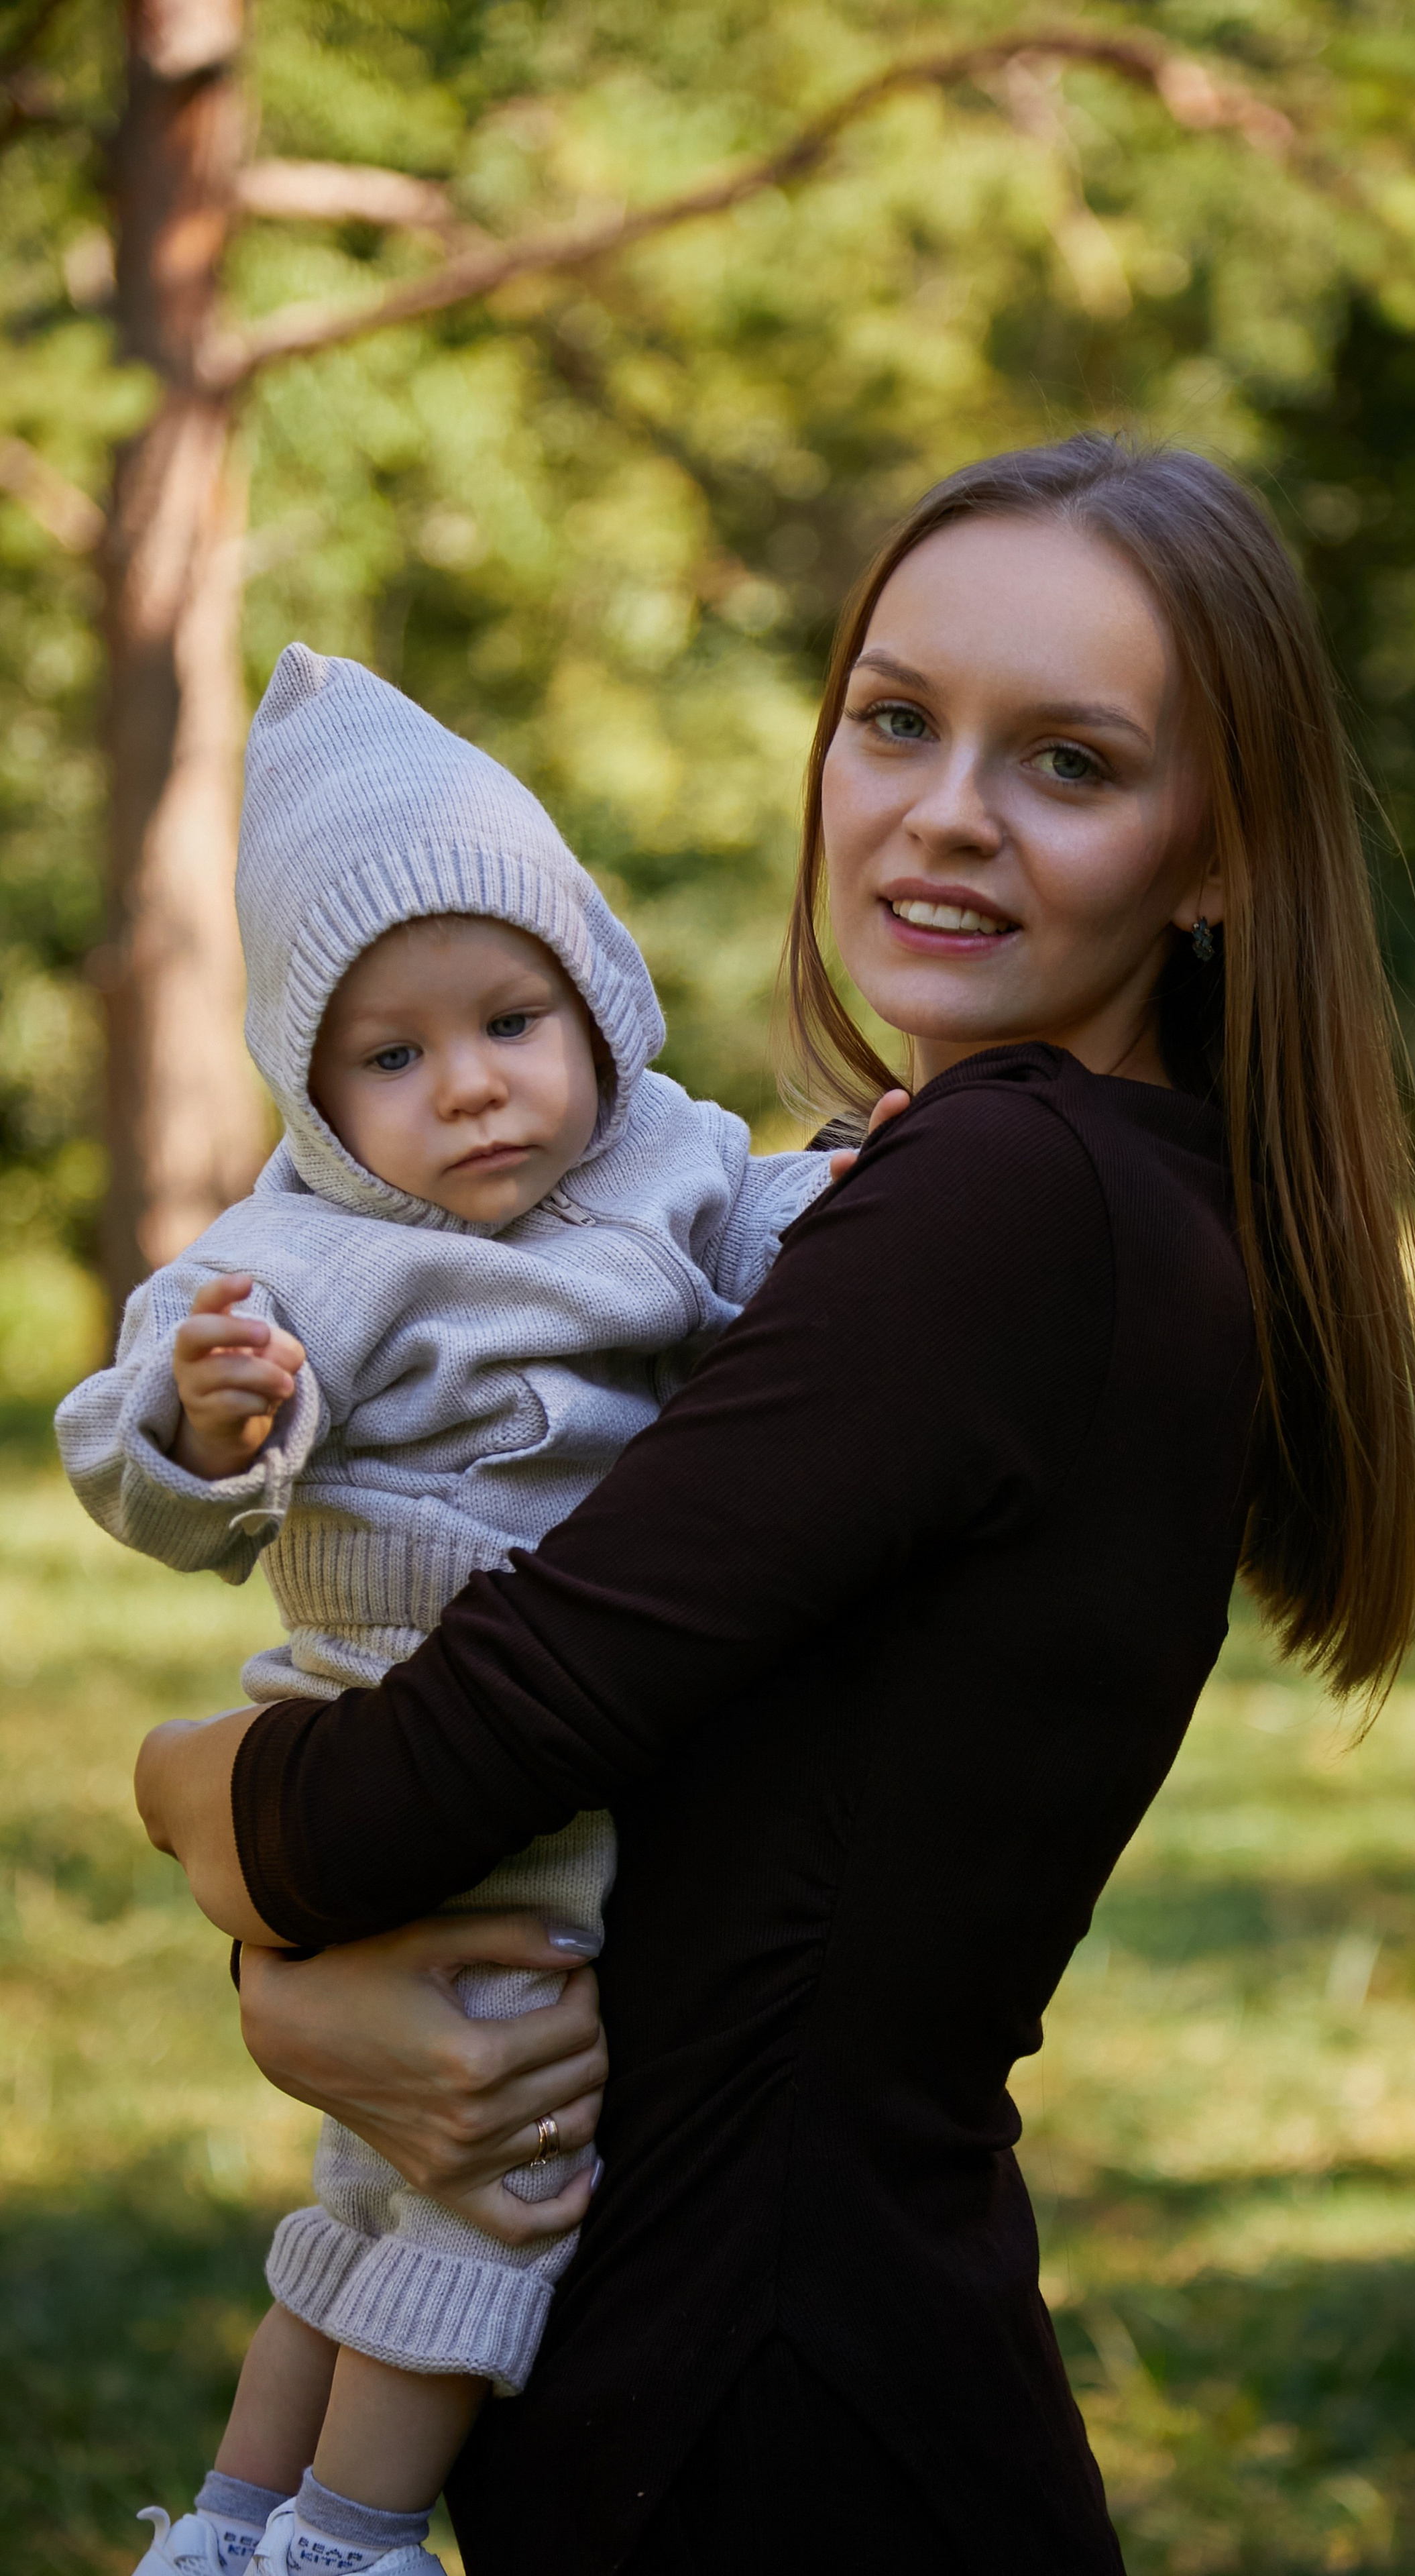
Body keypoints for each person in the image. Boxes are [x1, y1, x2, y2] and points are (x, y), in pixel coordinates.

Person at [136, 436, 1415, 2575]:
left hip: (772, 2429)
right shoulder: (1044, 1191)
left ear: (1217, 856)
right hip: (762, 2371)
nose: (945, 813)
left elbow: (407, 1791)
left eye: (1070, 763)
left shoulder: (1012, 1199)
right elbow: (670, 1828)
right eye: (897, 720)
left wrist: (178, 1785)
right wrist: (316, 1993)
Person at [58, 643, 856, 2576]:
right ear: (315, 1091)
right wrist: (212, 1415)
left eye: (510, 1020)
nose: (473, 1087)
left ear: (595, 997)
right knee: (503, 2167)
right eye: (392, 1060)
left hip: (561, 1716)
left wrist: (858, 1184)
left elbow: (766, 1238)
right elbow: (131, 1440)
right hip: (411, 1721)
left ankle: (225, 2530)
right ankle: (344, 2543)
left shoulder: (666, 1159)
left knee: (374, 2174)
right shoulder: (306, 1251)